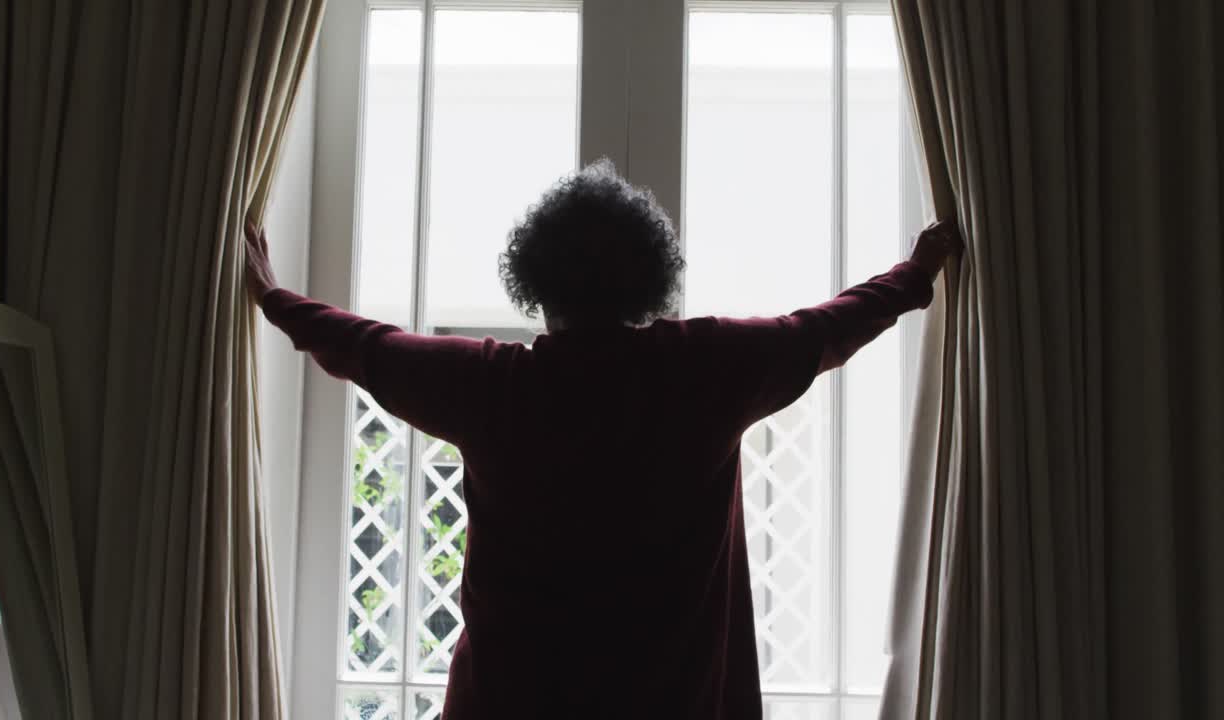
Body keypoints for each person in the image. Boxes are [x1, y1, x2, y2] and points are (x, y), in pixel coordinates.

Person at [246, 159, 962, 720]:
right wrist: (915, 273)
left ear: (536, 284)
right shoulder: (705, 370)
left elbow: (368, 347)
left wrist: (274, 296)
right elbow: (824, 329)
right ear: (647, 281)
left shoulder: (494, 388)